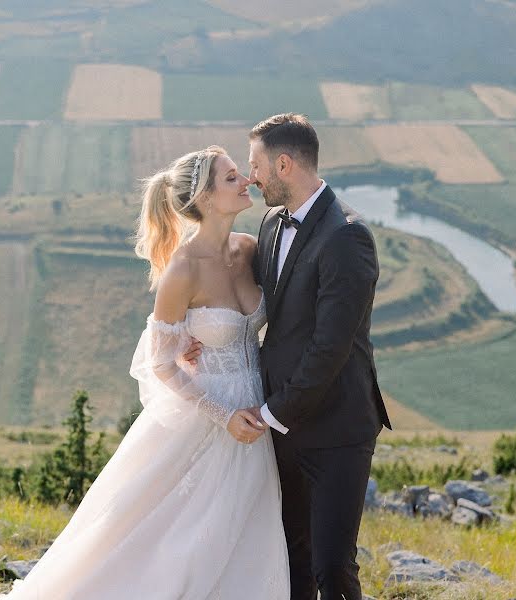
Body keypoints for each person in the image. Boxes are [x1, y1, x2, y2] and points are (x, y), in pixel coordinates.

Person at [0, 145, 289, 599]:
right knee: (177, 543)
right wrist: (222, 414)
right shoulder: (183, 270)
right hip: (209, 418)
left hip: (255, 414)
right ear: (207, 199)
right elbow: (160, 364)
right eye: (232, 177)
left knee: (243, 534)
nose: (246, 181)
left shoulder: (249, 248)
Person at [185, 114, 392, 600]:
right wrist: (198, 335)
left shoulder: (347, 237)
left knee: (332, 566)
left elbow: (331, 346)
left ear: (283, 164)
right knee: (289, 554)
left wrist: (274, 412)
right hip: (280, 425)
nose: (251, 177)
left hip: (337, 428)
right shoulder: (272, 223)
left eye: (255, 165)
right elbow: (241, 301)